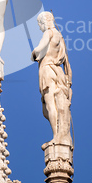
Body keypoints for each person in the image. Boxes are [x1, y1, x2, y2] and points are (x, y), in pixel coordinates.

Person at [31, 12, 73, 148]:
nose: (39, 28)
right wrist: (68, 82)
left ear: (44, 22)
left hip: (47, 70)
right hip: (58, 72)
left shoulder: (48, 33)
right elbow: (67, 64)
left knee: (50, 105)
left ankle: (57, 136)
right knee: (54, 105)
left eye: (39, 24)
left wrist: (33, 54)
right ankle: (61, 133)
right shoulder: (60, 37)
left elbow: (39, 48)